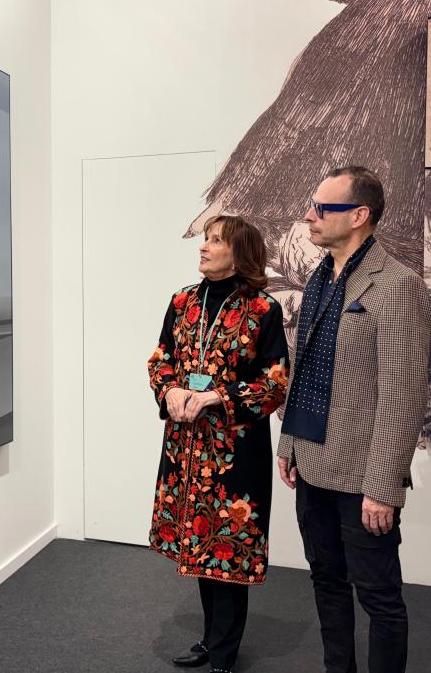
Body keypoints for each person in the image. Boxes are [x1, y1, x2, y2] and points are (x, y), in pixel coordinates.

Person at [276, 166, 431, 673]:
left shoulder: (398, 285)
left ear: (359, 215)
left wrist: (383, 487)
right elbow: (304, 368)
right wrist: (289, 445)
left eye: (322, 208)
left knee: (378, 596)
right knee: (326, 581)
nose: (309, 216)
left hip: (363, 476)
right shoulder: (319, 277)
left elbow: (403, 397)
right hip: (312, 463)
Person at [147, 215, 289, 673]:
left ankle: (224, 654)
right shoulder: (182, 301)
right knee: (198, 543)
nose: (203, 247)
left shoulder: (263, 309)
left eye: (215, 241)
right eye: (205, 239)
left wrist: (217, 396)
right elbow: (161, 359)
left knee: (228, 549)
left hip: (234, 452)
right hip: (185, 448)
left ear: (239, 252)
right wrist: (170, 389)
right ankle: (212, 641)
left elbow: (275, 382)